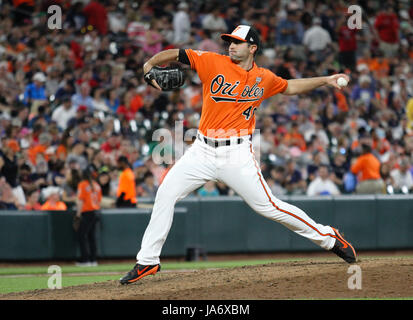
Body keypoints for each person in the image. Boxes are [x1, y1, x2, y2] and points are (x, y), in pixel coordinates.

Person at [119, 24, 357, 285]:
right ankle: (148, 261)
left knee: (269, 207)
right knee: (166, 193)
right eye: (230, 41)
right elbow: (177, 54)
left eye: (238, 42)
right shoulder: (212, 62)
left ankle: (329, 238)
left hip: (237, 153)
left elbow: (289, 86)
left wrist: (325, 80)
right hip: (202, 150)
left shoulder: (264, 78)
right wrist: (148, 65)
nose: (231, 45)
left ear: (252, 48)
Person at [75, 167, 102, 267]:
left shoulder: (82, 184)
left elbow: (80, 201)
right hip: (95, 212)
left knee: (82, 236)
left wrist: (78, 215)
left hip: (87, 212)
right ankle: (93, 260)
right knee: (92, 237)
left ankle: (85, 260)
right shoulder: (96, 185)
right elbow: (99, 200)